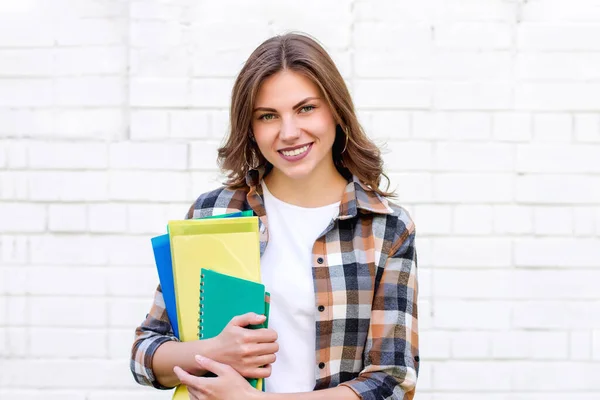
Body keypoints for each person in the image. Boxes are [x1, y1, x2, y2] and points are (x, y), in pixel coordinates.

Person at [130, 32, 419, 400]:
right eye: (268, 116)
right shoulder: (213, 213)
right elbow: (145, 353)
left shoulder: (384, 226)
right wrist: (213, 351)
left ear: (336, 110)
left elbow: (391, 382)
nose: (289, 132)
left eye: (306, 108)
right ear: (250, 128)